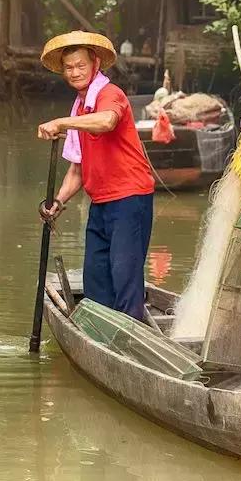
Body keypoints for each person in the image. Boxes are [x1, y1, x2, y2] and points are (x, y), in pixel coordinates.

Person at [37, 31, 155, 320]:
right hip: (100, 202)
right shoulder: (79, 107)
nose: (75, 72)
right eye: (69, 67)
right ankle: (100, 334)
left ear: (95, 64)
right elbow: (78, 168)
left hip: (129, 198)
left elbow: (107, 121)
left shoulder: (109, 94)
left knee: (124, 276)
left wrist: (61, 123)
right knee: (96, 278)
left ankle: (131, 340)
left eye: (81, 65)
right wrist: (58, 203)